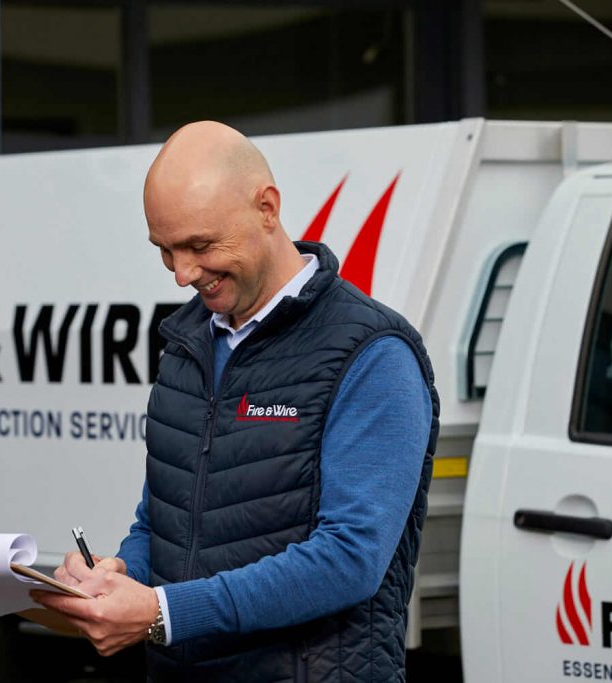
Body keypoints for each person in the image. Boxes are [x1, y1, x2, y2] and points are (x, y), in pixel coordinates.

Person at [32, 121, 439, 682]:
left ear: (267, 207)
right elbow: (164, 523)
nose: (182, 273)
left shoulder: (373, 355)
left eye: (200, 245)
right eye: (165, 250)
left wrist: (161, 612)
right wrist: (120, 572)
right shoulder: (187, 348)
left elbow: (350, 559)